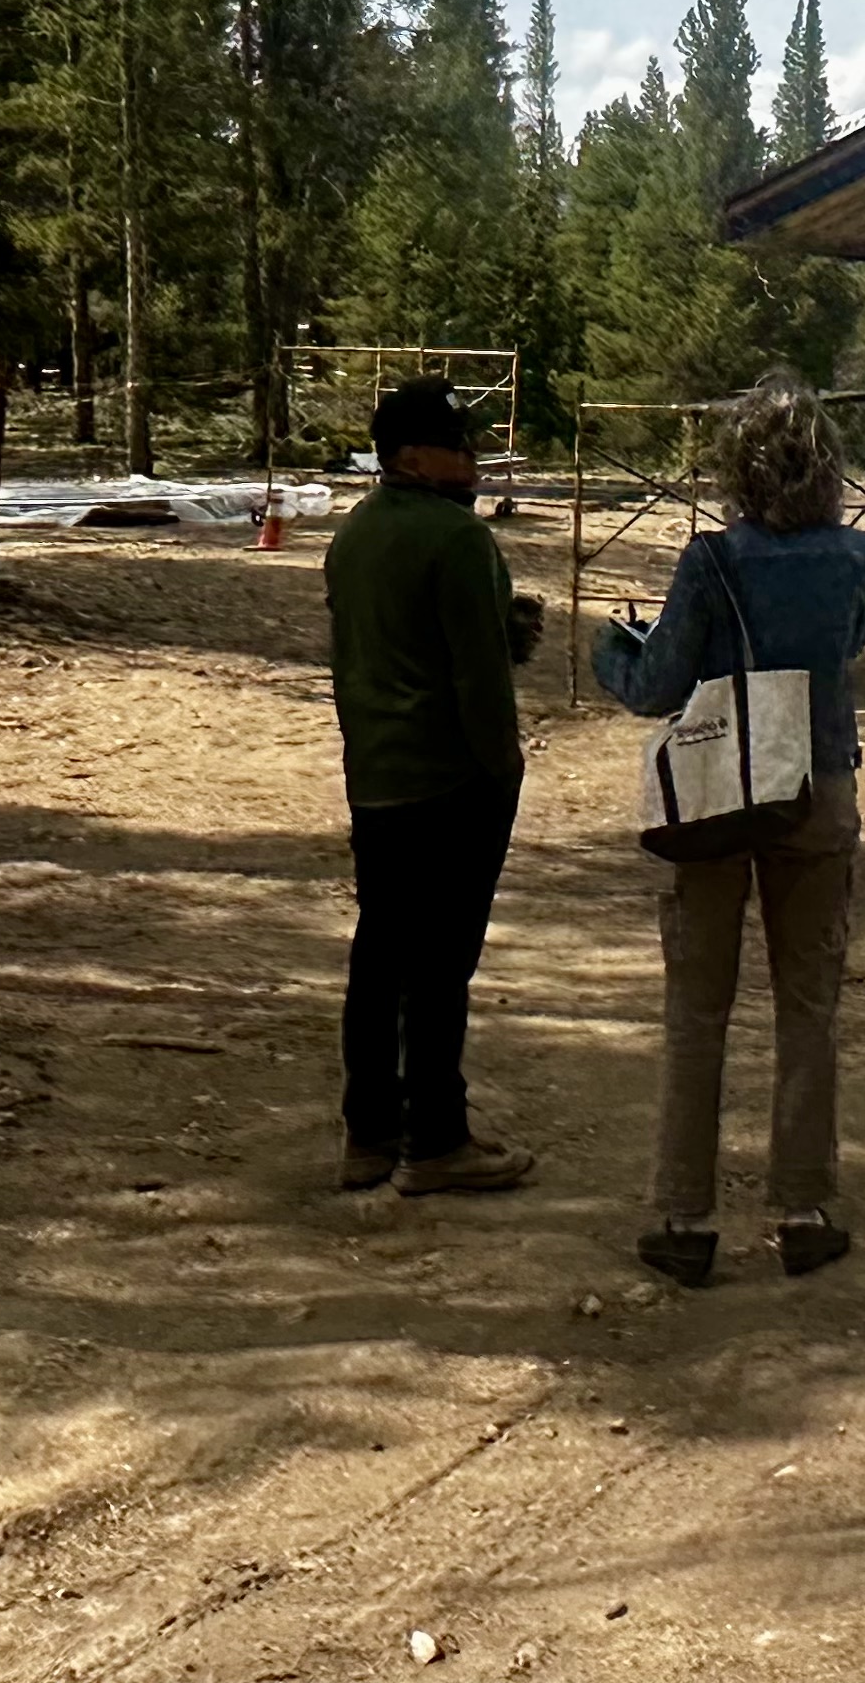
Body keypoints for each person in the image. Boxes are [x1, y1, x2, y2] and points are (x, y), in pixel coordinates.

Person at [595, 372, 865, 1286]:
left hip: (717, 795)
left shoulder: (709, 561)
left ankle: (684, 1215)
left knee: (698, 1010)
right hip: (817, 788)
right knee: (808, 1006)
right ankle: (803, 1207)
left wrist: (613, 649)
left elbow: (656, 689)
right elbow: (850, 647)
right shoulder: (854, 558)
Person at [321, 377, 538, 1197]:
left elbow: (385, 646)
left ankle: (368, 1131)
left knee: (379, 954)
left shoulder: (354, 535)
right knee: (441, 966)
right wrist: (504, 770)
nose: (471, 459)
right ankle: (437, 1139)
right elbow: (477, 679)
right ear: (411, 456)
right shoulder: (458, 540)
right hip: (451, 778)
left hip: (375, 773)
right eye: (457, 446)